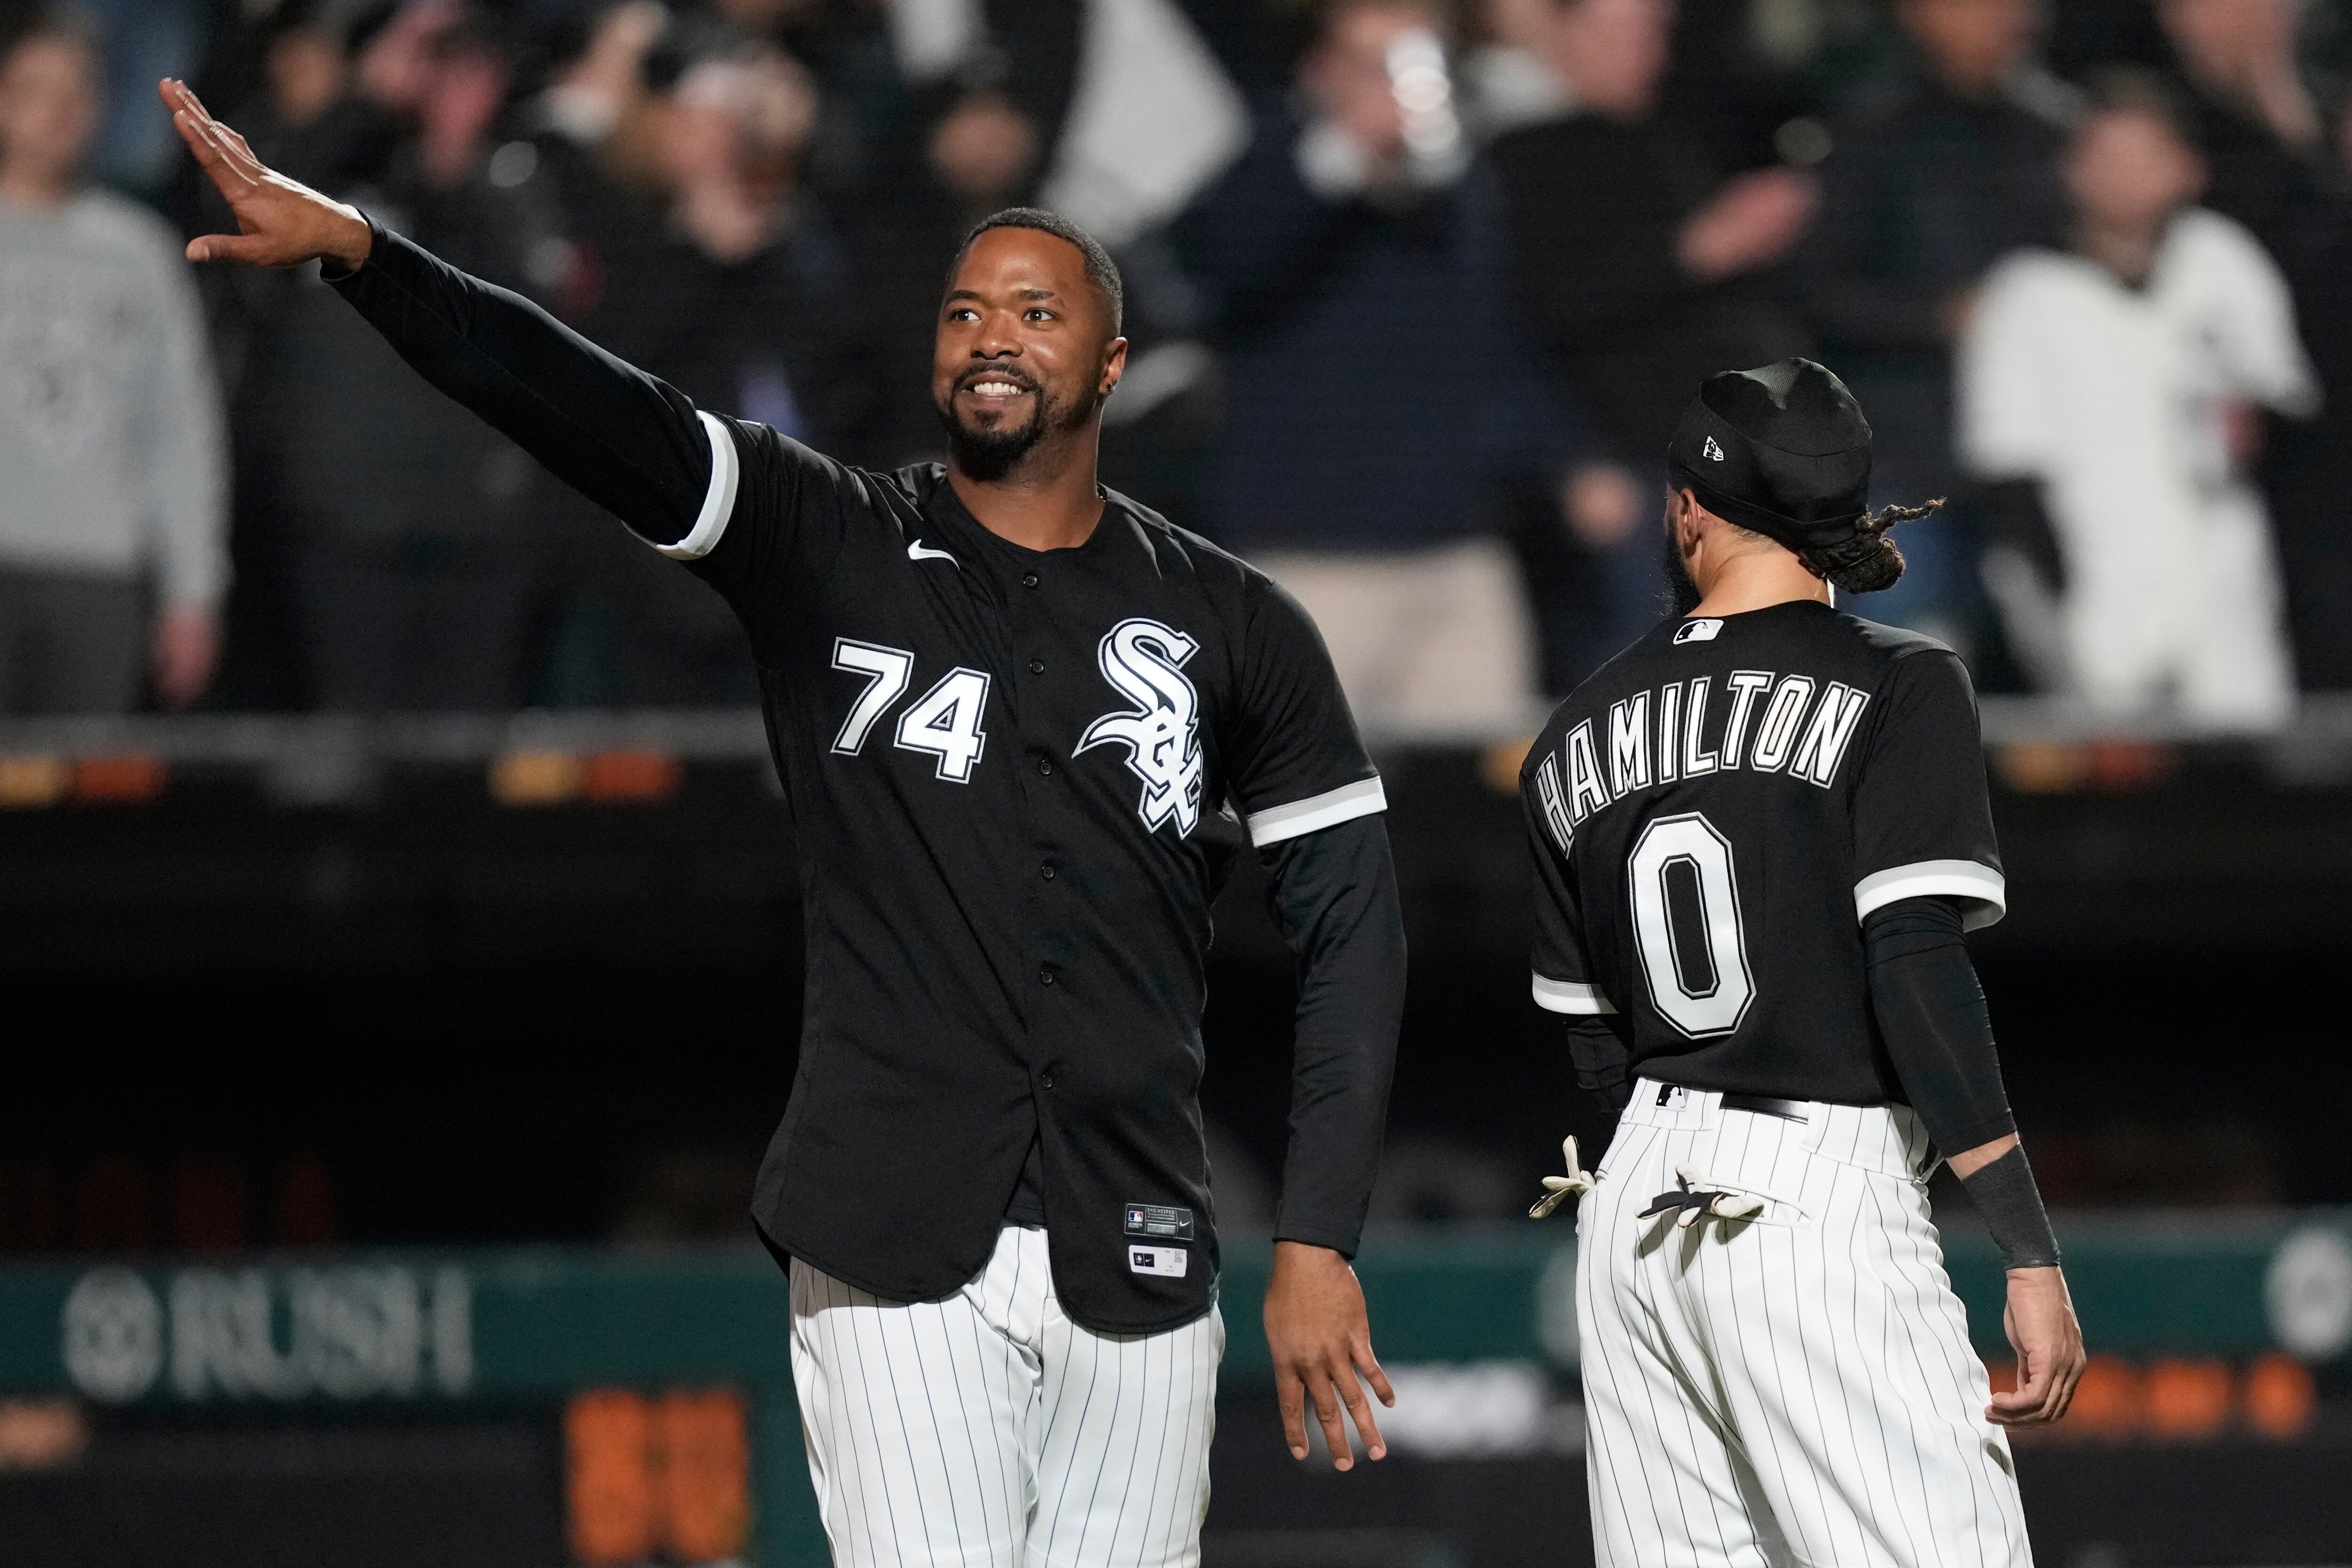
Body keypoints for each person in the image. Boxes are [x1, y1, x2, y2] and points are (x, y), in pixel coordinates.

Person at [167, 72, 1404, 1566]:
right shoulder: (833, 539)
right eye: (964, 312)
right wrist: (367, 254)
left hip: (1136, 1234)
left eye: (1035, 313)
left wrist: (1319, 1231)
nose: (991, 337)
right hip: (893, 1235)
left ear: (1112, 361)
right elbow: (580, 402)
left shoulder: (1234, 618)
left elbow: (1355, 925)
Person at [1522, 359, 2086, 1568]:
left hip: (1632, 1205)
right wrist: (2027, 1246)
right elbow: (1915, 966)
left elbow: (1591, 1042)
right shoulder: (1899, 678)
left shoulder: (1572, 728)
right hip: (1809, 1185)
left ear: (1688, 509)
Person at [1175, 0, 1617, 729]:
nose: (1401, 86)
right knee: (1299, 781)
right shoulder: (1272, 158)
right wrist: (1346, 152)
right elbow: (1217, 259)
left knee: (1479, 773)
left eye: (1418, 63)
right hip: (1308, 554)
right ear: (1321, 69)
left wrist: (1567, 458)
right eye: (1377, 64)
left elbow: (1498, 340)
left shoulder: (1455, 189)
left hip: (1456, 548)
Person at [1957, 72, 2317, 726]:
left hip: (2230, 601)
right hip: (2099, 605)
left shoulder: (2223, 262)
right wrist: (2057, 616)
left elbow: (2288, 416)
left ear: (2188, 169)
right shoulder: (2026, 295)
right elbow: (2007, 477)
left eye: (2144, 156)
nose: (2122, 178)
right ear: (2071, 171)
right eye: (2104, 157)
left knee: (2245, 774)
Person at [1487, 0, 1813, 683]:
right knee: (1635, 688)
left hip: (1734, 465)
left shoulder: (1680, 141)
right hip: (1622, 472)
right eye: (1620, 36)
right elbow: (1535, 318)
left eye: (1653, 36)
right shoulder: (1519, 162)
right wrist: (1571, 459)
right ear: (1561, 36)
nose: (1645, 56)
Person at [1797, 0, 2073, 648]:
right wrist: (1936, 317)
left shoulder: (2053, 134)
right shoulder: (1870, 132)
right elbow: (1814, 295)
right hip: (1909, 456)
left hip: (2040, 455)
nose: (1999, 18)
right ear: (1919, 15)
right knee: (1918, 661)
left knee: (2068, 668)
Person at [0, 10, 224, 713]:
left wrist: (193, 591)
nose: (59, 113)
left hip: (99, 572)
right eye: (36, 90)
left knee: (88, 778)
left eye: (77, 93)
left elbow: (180, 429)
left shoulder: (141, 253)